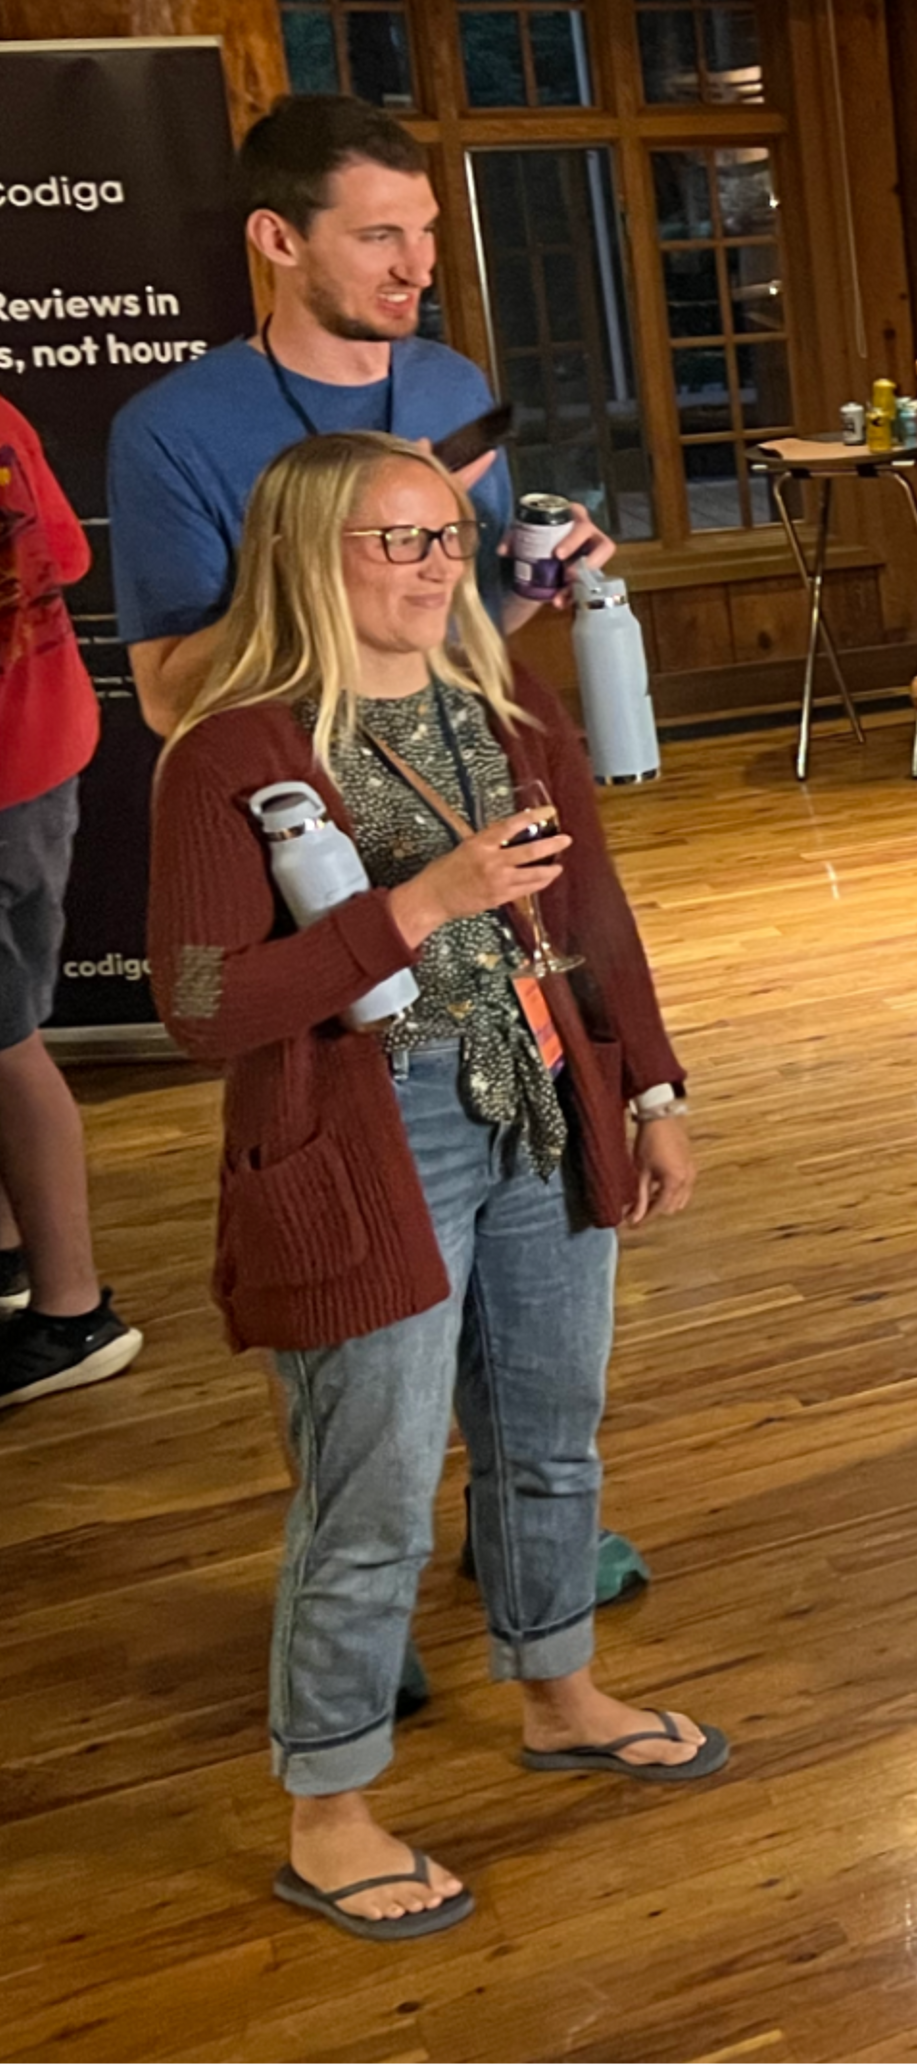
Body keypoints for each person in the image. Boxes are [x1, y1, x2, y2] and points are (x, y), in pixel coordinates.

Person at [145, 432, 710, 1940]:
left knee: (550, 1433)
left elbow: (592, 904)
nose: (437, 565)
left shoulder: (505, 705)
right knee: (374, 1490)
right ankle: (327, 1806)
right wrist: (417, 906)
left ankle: (557, 1683)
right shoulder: (234, 747)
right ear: (306, 558)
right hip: (362, 1137)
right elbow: (202, 999)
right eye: (397, 542)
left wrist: (650, 1083)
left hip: (541, 1097)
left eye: (446, 538)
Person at [111, 96, 607, 738]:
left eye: (425, 229)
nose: (419, 267)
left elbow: (460, 628)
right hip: (300, 799)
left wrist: (538, 573)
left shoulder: (454, 385)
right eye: (379, 236)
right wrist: (334, 551)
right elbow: (168, 702)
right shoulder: (169, 429)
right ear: (279, 239)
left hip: (467, 763)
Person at [0, 399, 139, 1407]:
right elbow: (68, 561)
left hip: (11, 773)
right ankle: (12, 1255)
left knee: (6, 1046)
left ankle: (73, 1311)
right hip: (42, 752)